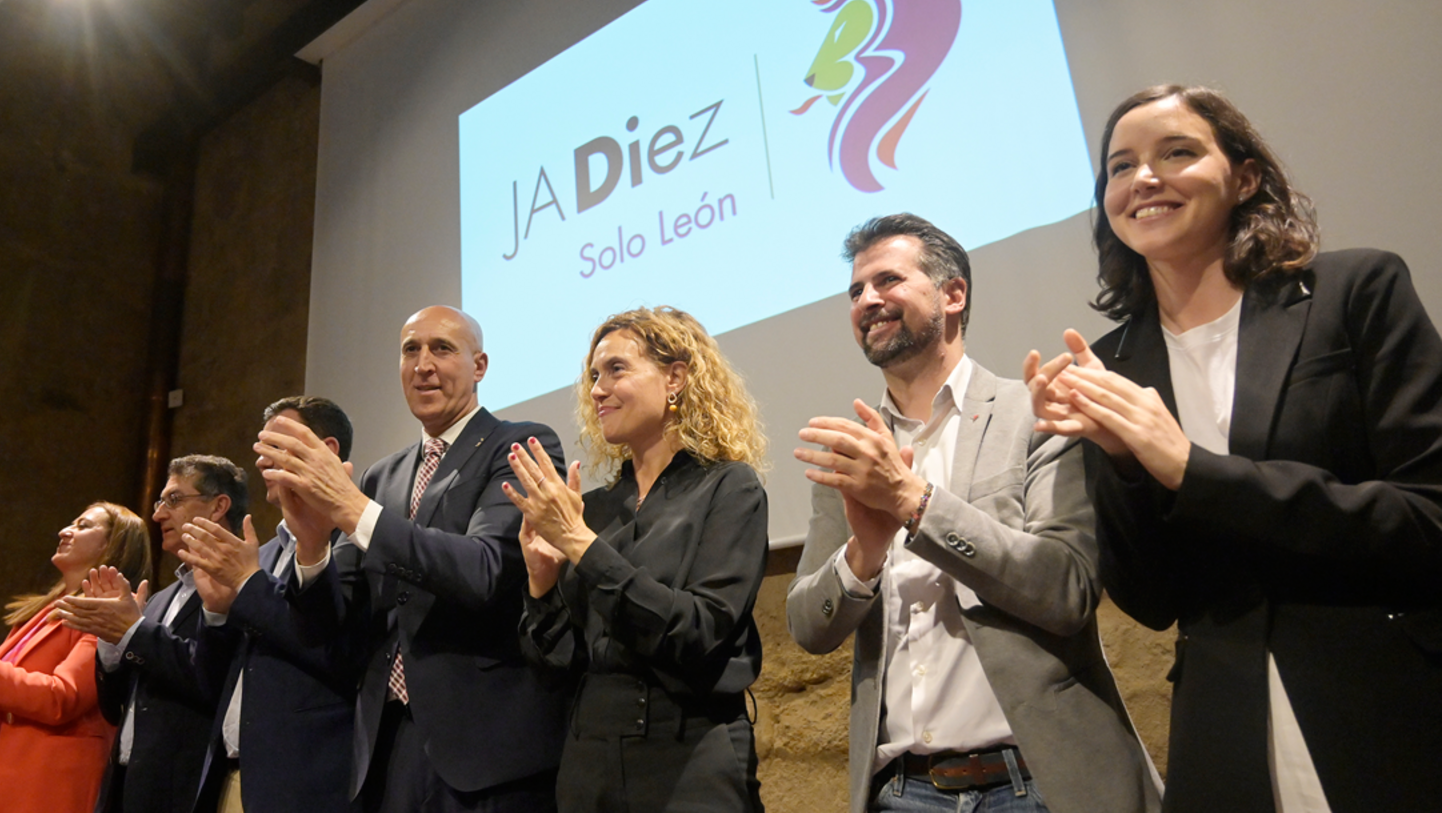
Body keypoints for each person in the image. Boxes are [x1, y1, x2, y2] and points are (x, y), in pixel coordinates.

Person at [1026, 85, 1442, 813]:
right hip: (1228, 741)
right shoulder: (1111, 365)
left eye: (1177, 152)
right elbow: (1153, 603)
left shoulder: (1357, 290)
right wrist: (1126, 464)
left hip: (1391, 709)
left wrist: (1191, 469)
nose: (1144, 179)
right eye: (1119, 168)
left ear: (1245, 176)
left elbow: (1428, 519)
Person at [787, 214, 1162, 813]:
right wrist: (863, 556)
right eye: (856, 291)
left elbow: (1066, 590)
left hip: (1037, 782)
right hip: (902, 792)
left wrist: (914, 504)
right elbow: (808, 626)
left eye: (888, 280)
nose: (868, 300)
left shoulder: (1034, 412)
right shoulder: (855, 454)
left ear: (953, 294)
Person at [253, 305, 570, 813]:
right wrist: (313, 548)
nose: (423, 364)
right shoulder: (383, 476)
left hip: (486, 751)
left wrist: (355, 509)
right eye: (410, 350)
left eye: (442, 348)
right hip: (390, 747)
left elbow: (484, 571)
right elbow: (339, 623)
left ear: (480, 365)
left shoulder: (519, 444)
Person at [504, 305, 768, 813]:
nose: (597, 390)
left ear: (675, 377)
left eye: (617, 369)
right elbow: (556, 668)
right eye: (594, 376)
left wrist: (580, 545)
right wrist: (541, 583)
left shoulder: (729, 486)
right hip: (589, 760)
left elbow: (698, 631)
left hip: (689, 754)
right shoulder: (597, 507)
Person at [179, 398, 361, 813]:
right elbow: (212, 682)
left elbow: (334, 652)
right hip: (229, 777)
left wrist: (247, 585)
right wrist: (216, 613)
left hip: (304, 785)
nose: (260, 462)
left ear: (327, 451)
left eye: (276, 445)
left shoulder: (354, 541)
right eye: (260, 448)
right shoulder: (258, 555)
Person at [0, 501, 152, 813]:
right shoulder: (40, 614)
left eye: (83, 526)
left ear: (114, 545)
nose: (64, 531)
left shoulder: (106, 614)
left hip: (47, 784)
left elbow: (61, 698)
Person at [51, 455, 247, 813]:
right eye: (160, 502)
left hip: (182, 791)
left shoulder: (242, 588)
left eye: (174, 500)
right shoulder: (160, 599)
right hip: (128, 781)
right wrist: (112, 644)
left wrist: (134, 631)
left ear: (219, 506)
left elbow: (210, 680)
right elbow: (115, 708)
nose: (157, 515)